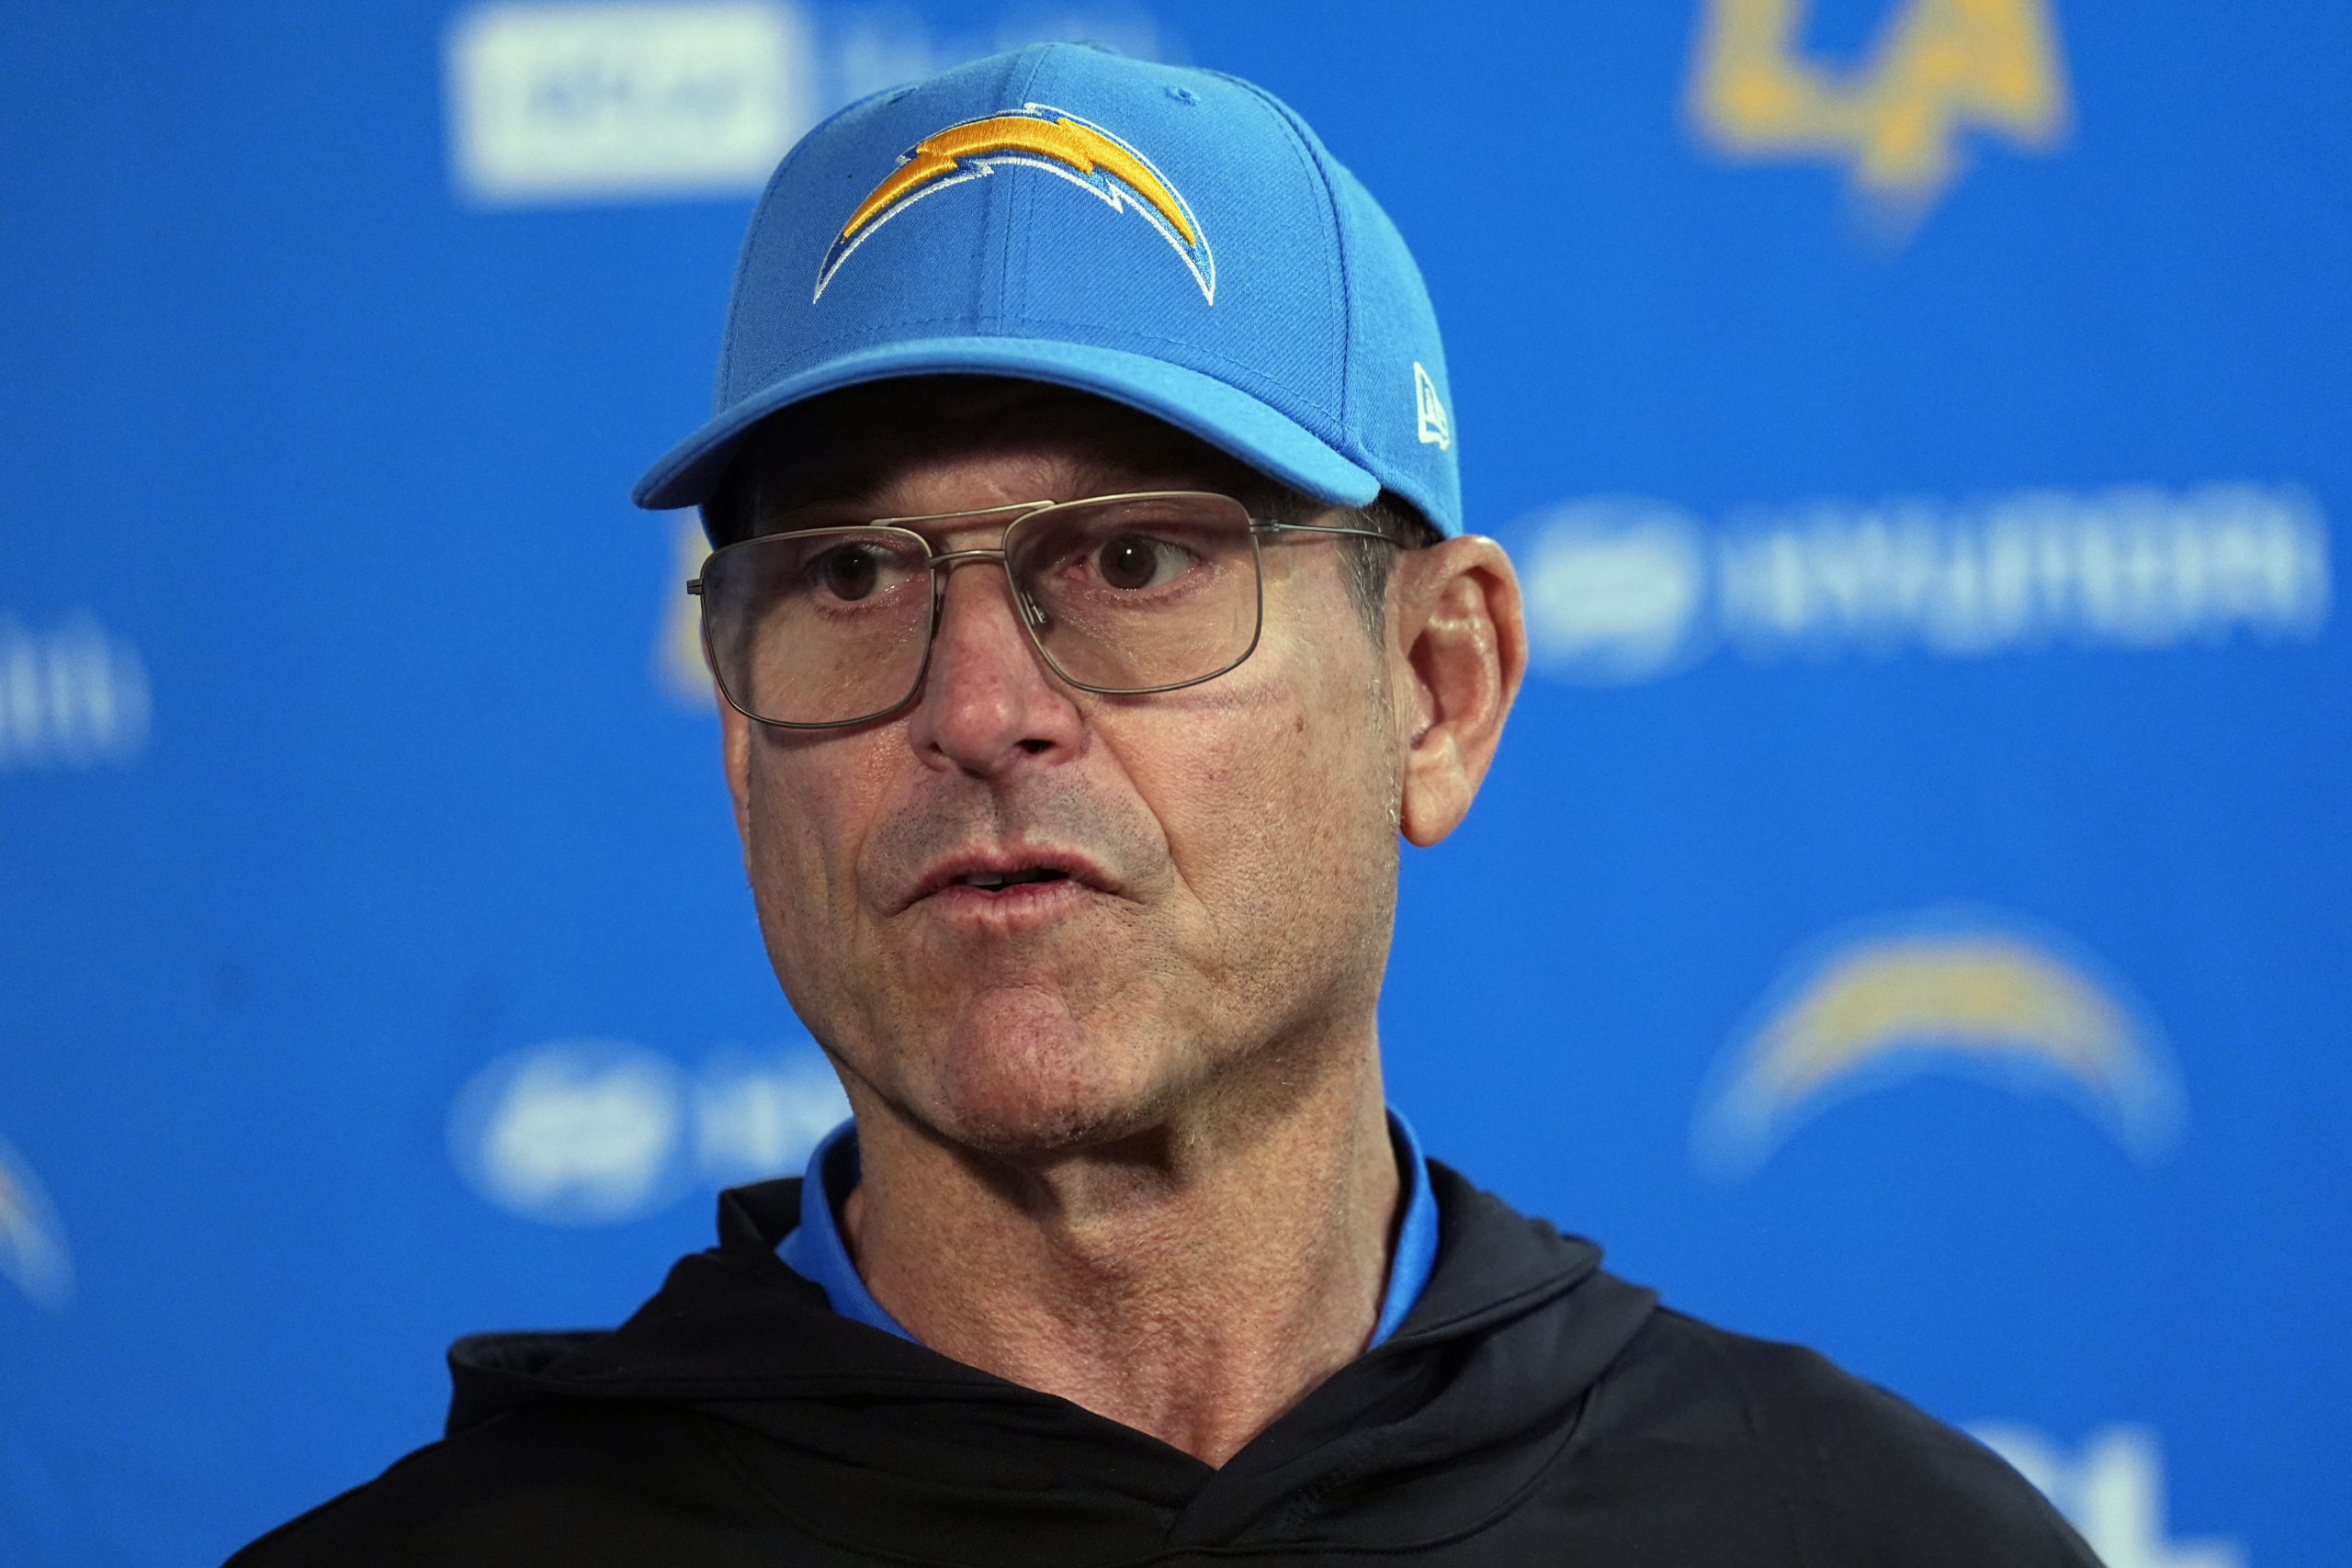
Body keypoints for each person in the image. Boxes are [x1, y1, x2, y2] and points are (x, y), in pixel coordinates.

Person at [232, 42, 2097, 1566]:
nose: (977, 709)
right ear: (738, 738)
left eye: (1134, 557)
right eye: (851, 579)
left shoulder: (1872, 1539)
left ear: (1437, 688)